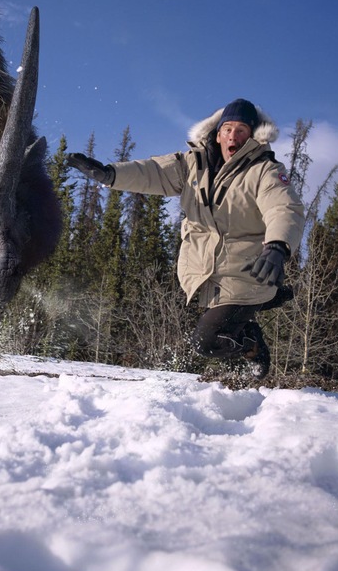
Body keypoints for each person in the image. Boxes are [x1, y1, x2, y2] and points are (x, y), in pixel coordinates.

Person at [65, 98, 305, 379]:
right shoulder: (193, 164)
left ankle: (251, 343)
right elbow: (152, 172)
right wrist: (111, 174)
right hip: (206, 273)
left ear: (252, 136)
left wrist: (277, 246)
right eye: (228, 129)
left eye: (241, 130)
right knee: (214, 339)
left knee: (206, 342)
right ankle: (249, 335)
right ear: (217, 134)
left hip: (249, 272)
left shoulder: (264, 170)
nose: (233, 136)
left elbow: (283, 207)